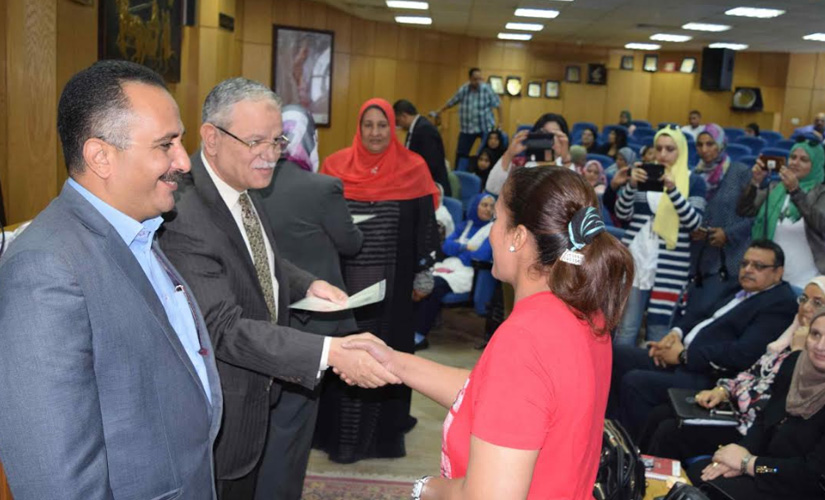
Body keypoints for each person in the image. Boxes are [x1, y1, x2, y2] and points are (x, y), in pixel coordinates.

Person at [158, 78, 397, 499]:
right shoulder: (187, 213)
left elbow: (255, 258)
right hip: (223, 410)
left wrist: (308, 282)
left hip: (257, 391)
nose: (271, 155)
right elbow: (223, 328)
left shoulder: (241, 185)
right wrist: (329, 352)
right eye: (255, 142)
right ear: (211, 138)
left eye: (277, 141)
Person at [341, 166, 635, 499]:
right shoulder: (587, 311)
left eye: (496, 219)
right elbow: (500, 397)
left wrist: (426, 487)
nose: (491, 232)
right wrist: (395, 363)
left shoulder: (525, 339)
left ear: (518, 237)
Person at [0, 60, 223, 499]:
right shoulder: (44, 269)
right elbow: (55, 477)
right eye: (166, 144)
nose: (184, 161)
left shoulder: (138, 230)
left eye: (181, 141)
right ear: (100, 156)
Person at [318, 98, 441, 464]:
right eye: (368, 125)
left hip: (394, 292)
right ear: (359, 128)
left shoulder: (413, 168)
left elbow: (425, 228)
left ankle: (383, 438)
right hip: (343, 289)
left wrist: (423, 275)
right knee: (346, 357)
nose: (375, 133)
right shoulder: (335, 167)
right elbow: (320, 228)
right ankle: (340, 439)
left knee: (388, 358)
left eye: (382, 125)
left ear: (393, 127)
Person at [252, 104, 364, 499]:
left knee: (263, 421)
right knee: (294, 426)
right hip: (312, 317)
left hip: (258, 316)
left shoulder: (250, 182)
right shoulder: (323, 187)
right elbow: (351, 242)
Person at [610, 240, 798, 439]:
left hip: (708, 375)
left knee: (635, 382)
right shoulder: (738, 287)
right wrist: (675, 335)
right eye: (745, 263)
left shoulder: (779, 304)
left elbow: (742, 353)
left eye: (758, 266)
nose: (748, 270)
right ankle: (606, 431)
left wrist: (684, 356)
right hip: (682, 357)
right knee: (617, 354)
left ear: (778, 272)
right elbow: (699, 314)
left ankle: (629, 446)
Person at [640, 276, 825, 460]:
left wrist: (798, 351)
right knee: (661, 413)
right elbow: (752, 374)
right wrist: (723, 390)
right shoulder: (785, 340)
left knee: (670, 433)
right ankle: (638, 470)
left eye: (817, 303)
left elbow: (780, 402)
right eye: (803, 299)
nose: (806, 307)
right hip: (737, 414)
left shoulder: (816, 354)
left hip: (755, 435)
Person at [689, 308, 825, 500]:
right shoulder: (794, 364)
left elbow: (811, 475)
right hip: (766, 467)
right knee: (698, 473)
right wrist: (741, 454)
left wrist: (749, 464)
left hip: (799, 486)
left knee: (710, 490)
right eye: (815, 334)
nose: (820, 346)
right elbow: (765, 419)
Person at [613, 127, 707, 346]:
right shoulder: (644, 175)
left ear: (681, 151)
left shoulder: (694, 181)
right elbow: (622, 214)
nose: (663, 154)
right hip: (637, 256)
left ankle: (649, 368)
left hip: (670, 263)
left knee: (658, 329)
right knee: (626, 327)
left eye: (670, 149)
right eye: (659, 148)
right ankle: (619, 368)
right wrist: (631, 186)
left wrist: (673, 190)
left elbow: (694, 223)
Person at [684, 124, 754, 314]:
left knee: (712, 314)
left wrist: (728, 234)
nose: (704, 149)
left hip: (729, 257)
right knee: (691, 314)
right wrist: (692, 228)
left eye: (710, 144)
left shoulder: (740, 172)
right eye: (700, 145)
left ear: (721, 144)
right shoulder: (694, 175)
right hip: (698, 256)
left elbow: (753, 216)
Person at [737, 137, 825, 289]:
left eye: (804, 160)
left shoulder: (821, 193)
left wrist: (795, 191)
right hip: (770, 278)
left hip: (806, 279)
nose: (795, 163)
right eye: (793, 157)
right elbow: (745, 210)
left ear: (816, 164)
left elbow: (820, 223)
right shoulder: (776, 188)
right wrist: (755, 183)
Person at [414, 193, 495, 349]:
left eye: (491, 206)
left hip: (469, 271)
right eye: (484, 205)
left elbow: (482, 254)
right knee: (421, 280)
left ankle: (419, 335)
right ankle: (409, 327)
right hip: (450, 264)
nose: (488, 209)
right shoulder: (466, 225)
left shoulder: (492, 230)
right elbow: (446, 246)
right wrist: (465, 247)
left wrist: (458, 249)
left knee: (434, 285)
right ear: (475, 206)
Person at [484, 113, 572, 195]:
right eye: (544, 133)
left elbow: (572, 194)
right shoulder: (520, 164)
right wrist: (509, 154)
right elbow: (492, 188)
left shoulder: (574, 165)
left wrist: (565, 159)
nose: (549, 139)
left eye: (554, 134)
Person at [435, 68, 502, 169]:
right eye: (475, 79)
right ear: (470, 79)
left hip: (485, 127)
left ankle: (484, 173)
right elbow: (452, 102)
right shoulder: (463, 90)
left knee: (486, 153)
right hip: (467, 128)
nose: (478, 82)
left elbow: (498, 104)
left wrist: (501, 122)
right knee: (461, 153)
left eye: (479, 79)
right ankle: (459, 173)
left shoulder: (487, 89)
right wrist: (440, 110)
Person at [394, 99, 451, 196]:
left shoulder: (425, 129)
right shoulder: (416, 128)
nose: (398, 125)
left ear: (404, 116)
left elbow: (431, 164)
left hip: (433, 188)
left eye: (397, 121)